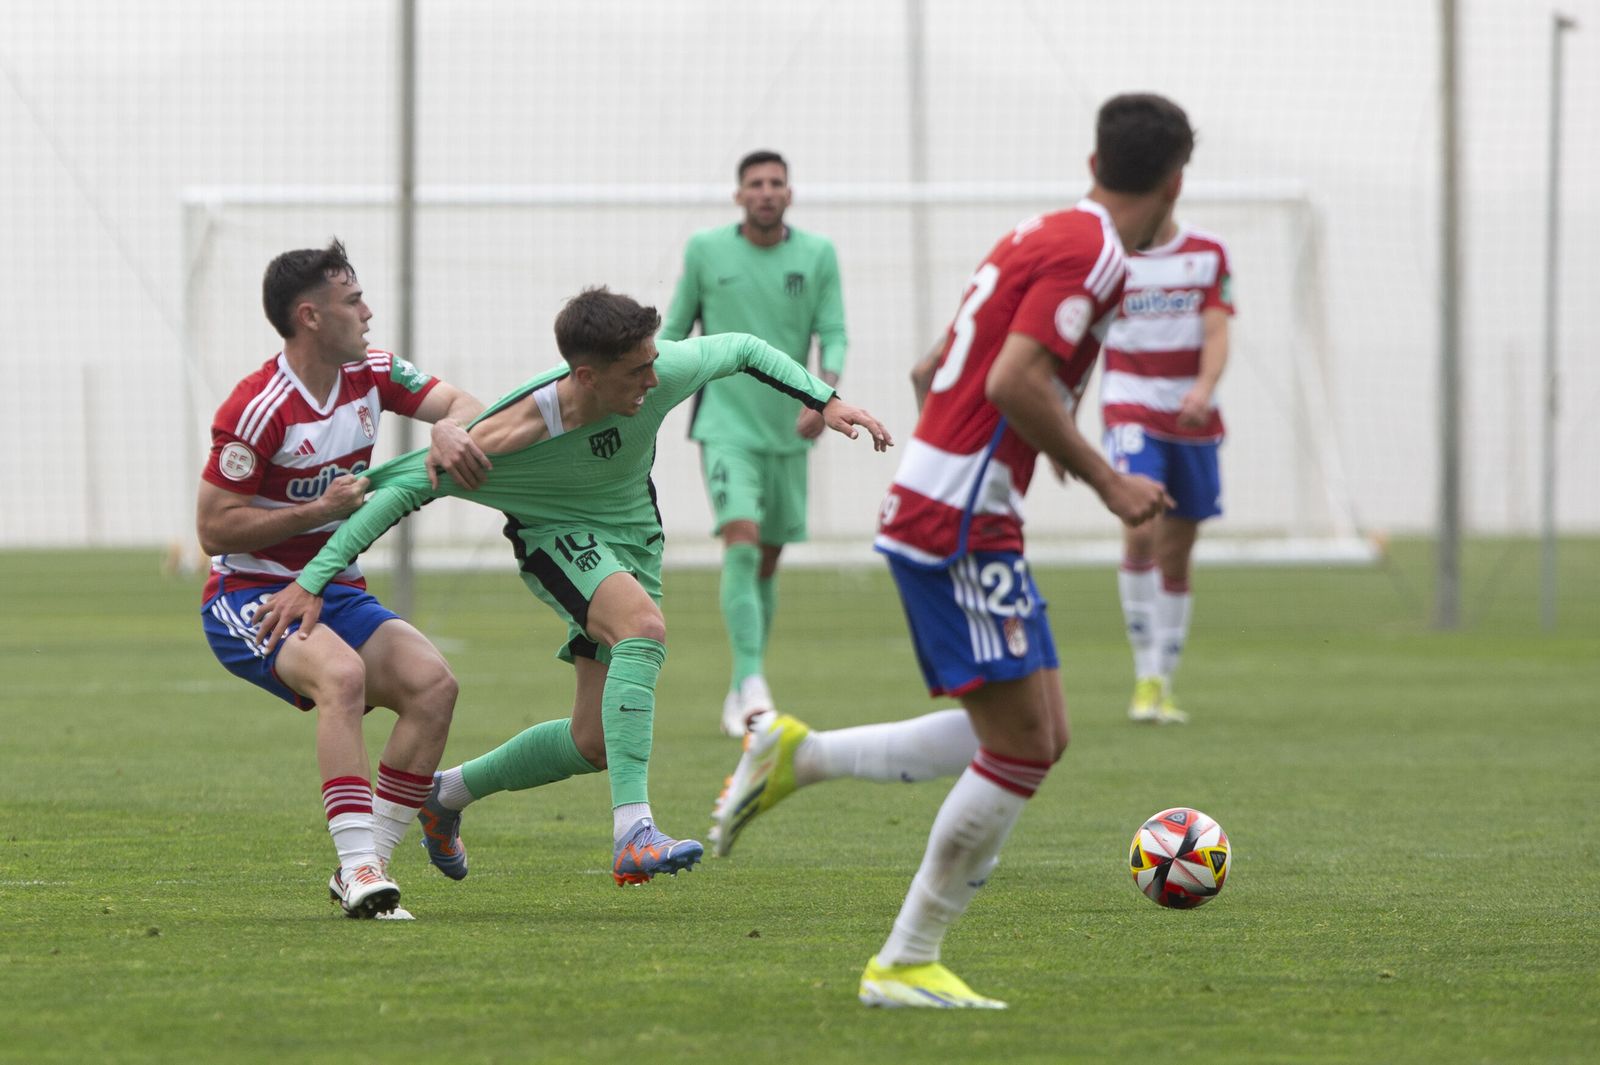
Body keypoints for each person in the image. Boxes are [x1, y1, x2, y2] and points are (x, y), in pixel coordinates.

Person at [710, 93, 1194, 1009]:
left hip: (955, 503)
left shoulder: (1037, 233)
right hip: (961, 520)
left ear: (1095, 165)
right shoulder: (1096, 256)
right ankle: (904, 959)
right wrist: (1105, 479)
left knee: (1042, 731)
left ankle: (796, 757)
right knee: (1021, 748)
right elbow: (1012, 380)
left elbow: (935, 368)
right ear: (1174, 183)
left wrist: (1008, 446)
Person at [252, 287, 892, 887]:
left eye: (652, 362)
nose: (653, 380)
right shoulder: (506, 437)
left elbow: (743, 348)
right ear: (586, 376)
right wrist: (313, 580)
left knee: (593, 741)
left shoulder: (662, 370)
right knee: (643, 629)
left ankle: (445, 795)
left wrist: (826, 399)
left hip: (635, 541)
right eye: (636, 371)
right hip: (556, 539)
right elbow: (400, 491)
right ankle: (634, 832)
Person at [197, 239, 490, 919]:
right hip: (252, 595)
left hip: (336, 590)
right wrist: (318, 510)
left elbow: (466, 402)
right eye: (353, 300)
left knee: (434, 686)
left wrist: (450, 430)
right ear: (310, 316)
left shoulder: (374, 372)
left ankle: (367, 867)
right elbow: (213, 527)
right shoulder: (257, 407)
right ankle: (358, 863)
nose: (367, 312)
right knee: (343, 677)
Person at [658, 150, 848, 737]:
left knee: (766, 560)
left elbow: (833, 333)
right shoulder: (704, 250)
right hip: (725, 426)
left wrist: (822, 395)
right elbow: (674, 331)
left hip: (789, 432)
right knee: (739, 541)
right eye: (756, 183)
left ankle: (743, 686)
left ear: (790, 193)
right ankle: (753, 682)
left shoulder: (817, 254)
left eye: (776, 183)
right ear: (739, 195)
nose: (766, 191)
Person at [1100, 205, 1234, 724]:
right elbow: (1084, 338)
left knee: (1177, 552)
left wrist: (1203, 388)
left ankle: (1165, 682)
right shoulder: (1111, 258)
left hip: (1192, 416)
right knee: (1141, 530)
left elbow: (1217, 332)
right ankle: (1145, 676)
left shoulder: (1208, 253)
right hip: (1130, 407)